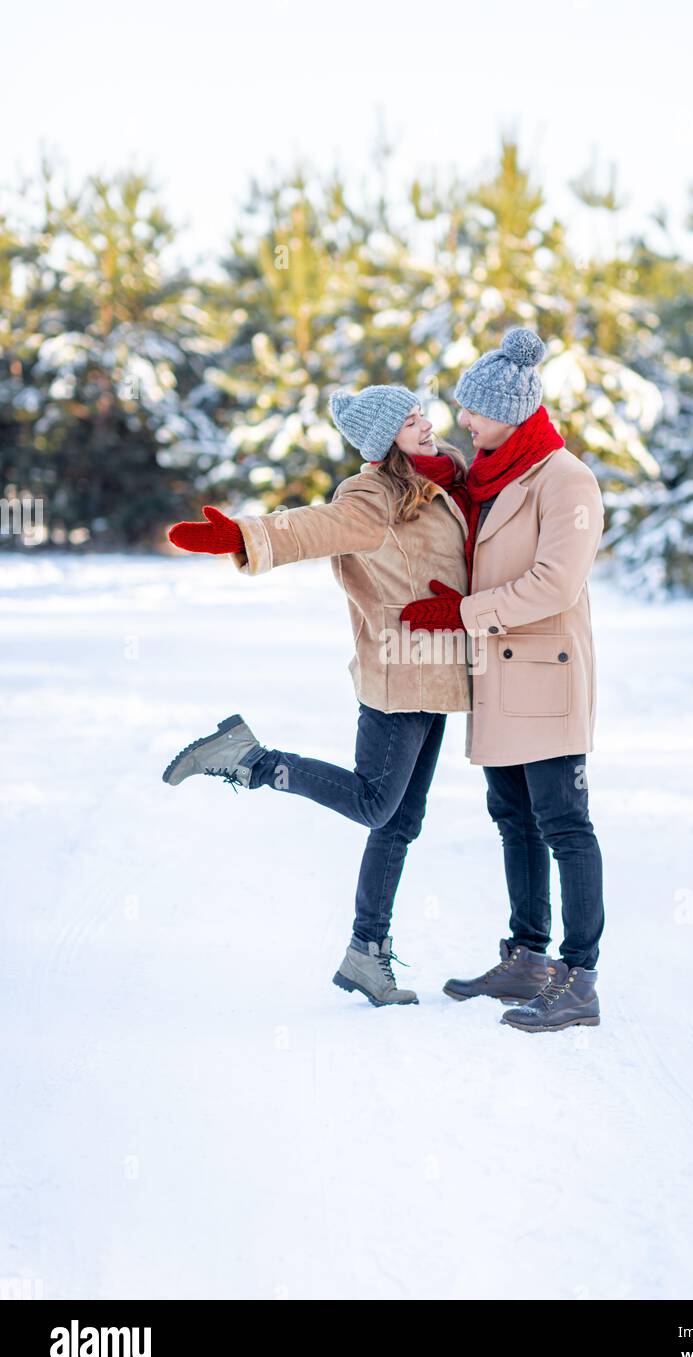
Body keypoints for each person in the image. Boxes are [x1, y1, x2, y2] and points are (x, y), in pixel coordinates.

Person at [162, 386, 472, 1008]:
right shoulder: (373, 495)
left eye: (423, 415)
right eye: (411, 422)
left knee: (400, 824)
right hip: (398, 673)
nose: (427, 426)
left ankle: (366, 954)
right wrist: (248, 537)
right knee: (374, 807)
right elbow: (313, 527)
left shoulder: (441, 483)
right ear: (386, 440)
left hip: (437, 674)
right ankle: (250, 759)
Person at [400, 328, 606, 1033]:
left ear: (511, 414)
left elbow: (554, 583)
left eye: (474, 410)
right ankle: (527, 956)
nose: (463, 421)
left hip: (545, 678)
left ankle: (579, 977)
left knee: (564, 825)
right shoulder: (494, 477)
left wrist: (461, 613)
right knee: (513, 821)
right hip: (499, 678)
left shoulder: (566, 478)